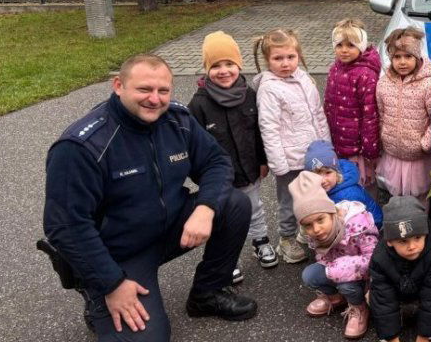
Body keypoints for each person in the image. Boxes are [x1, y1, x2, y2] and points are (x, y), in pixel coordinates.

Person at [44, 54, 257, 342]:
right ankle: (96, 292)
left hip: (168, 229)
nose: (155, 99)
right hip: (118, 254)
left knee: (233, 204)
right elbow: (66, 226)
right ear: (118, 85)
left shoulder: (178, 120)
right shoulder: (82, 146)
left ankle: (207, 293)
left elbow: (216, 162)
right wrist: (112, 284)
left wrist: (205, 208)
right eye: (144, 89)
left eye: (163, 91)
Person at [188, 32, 276, 284]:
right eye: (216, 65)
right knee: (222, 217)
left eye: (229, 64)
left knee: (255, 209)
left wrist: (262, 160)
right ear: (207, 69)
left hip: (248, 169)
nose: (223, 71)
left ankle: (260, 241)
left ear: (239, 65)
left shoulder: (249, 95)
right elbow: (194, 146)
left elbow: (259, 131)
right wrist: (202, 176)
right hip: (219, 178)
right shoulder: (198, 105)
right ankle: (228, 256)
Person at [254, 28, 331, 264]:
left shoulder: (305, 79)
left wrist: (325, 147)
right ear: (267, 60)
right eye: (278, 58)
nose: (285, 63)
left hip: (311, 155)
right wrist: (279, 163)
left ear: (298, 55)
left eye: (290, 57)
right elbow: (269, 127)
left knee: (313, 196)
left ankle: (305, 231)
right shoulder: (269, 88)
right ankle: (286, 238)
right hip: (288, 158)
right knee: (289, 201)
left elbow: (318, 114)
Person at [290, 172, 379, 339]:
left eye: (320, 220)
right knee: (309, 275)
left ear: (332, 212)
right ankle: (336, 298)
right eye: (308, 225)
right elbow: (322, 256)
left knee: (346, 284)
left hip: (365, 279)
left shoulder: (358, 225)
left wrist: (336, 270)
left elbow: (373, 261)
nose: (316, 229)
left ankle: (359, 308)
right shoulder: (315, 233)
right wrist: (331, 269)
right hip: (337, 270)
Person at [369, 196, 431, 342]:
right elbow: (383, 298)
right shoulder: (379, 258)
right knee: (372, 296)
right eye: (403, 241)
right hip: (396, 290)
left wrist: (424, 336)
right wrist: (391, 336)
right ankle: (394, 321)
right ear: (389, 241)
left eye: (418, 237)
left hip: (422, 289)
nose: (412, 246)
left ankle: (429, 325)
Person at [376, 27, 431, 206]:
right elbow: (381, 114)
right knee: (396, 195)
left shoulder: (429, 85)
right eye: (397, 57)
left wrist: (425, 144)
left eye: (408, 56)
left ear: (417, 57)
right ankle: (400, 228)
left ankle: (420, 231)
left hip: (418, 157)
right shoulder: (383, 83)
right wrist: (383, 137)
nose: (402, 62)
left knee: (420, 199)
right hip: (393, 154)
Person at [325, 18, 382, 195]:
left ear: (361, 46)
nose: (344, 50)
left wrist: (370, 150)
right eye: (339, 45)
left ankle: (370, 219)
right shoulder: (335, 68)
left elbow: (370, 115)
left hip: (358, 148)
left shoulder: (365, 74)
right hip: (339, 142)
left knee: (363, 186)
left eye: (350, 45)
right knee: (344, 185)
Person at [305, 140, 383, 228]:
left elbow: (354, 227)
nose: (322, 180)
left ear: (337, 172)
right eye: (316, 175)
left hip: (369, 226)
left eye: (328, 173)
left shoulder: (349, 195)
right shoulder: (326, 188)